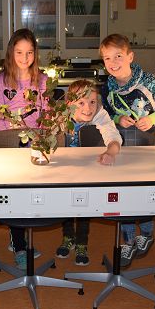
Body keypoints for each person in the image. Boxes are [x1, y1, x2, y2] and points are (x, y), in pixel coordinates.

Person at [99, 33, 155, 268]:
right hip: (120, 145)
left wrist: (152, 117)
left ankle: (147, 232)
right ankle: (129, 240)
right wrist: (117, 118)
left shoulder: (149, 81)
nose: (113, 62)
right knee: (122, 193)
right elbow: (104, 112)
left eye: (118, 56)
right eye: (107, 58)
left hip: (146, 146)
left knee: (144, 191)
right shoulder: (107, 87)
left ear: (130, 57)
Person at [0, 28, 48, 269]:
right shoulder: (0, 81)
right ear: (11, 53)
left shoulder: (42, 80)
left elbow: (46, 114)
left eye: (29, 52)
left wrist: (40, 139)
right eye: (19, 52)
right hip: (10, 146)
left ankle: (24, 237)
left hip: (36, 145)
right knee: (15, 195)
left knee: (32, 193)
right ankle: (19, 245)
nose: (25, 57)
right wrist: (13, 139)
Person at [56, 80, 122, 266]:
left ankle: (82, 243)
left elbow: (113, 137)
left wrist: (110, 152)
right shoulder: (59, 115)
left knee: (84, 204)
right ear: (69, 103)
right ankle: (68, 236)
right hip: (64, 168)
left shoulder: (99, 114)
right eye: (81, 103)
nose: (88, 108)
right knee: (65, 203)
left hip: (88, 168)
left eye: (92, 102)